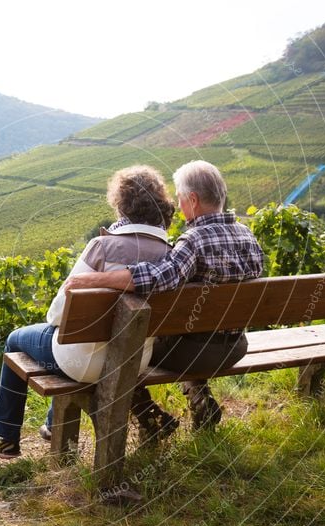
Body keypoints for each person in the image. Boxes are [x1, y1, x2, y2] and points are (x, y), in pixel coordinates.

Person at [0, 165, 177, 458]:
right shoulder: (172, 255)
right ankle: (49, 424)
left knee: (16, 339)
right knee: (73, 341)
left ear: (121, 206)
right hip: (134, 360)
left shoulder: (102, 247)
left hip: (82, 362)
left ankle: (4, 436)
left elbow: (58, 315)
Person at [64, 160, 265, 431]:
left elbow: (156, 278)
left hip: (193, 353)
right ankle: (198, 395)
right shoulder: (247, 235)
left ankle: (151, 418)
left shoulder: (193, 241)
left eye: (181, 199)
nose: (179, 207)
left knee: (128, 349)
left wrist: (94, 279)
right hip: (236, 347)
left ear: (193, 200)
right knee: (191, 330)